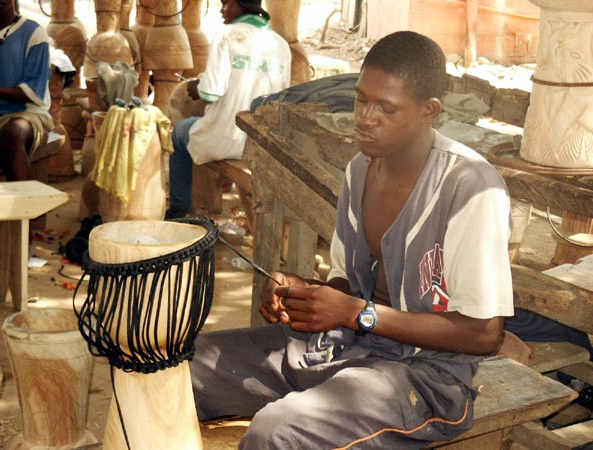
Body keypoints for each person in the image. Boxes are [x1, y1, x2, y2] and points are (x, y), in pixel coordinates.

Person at [189, 31, 516, 449]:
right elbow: (347, 284)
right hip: (347, 349)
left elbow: (485, 334)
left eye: (386, 108)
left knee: (278, 430)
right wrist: (303, 291)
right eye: (362, 100)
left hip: (427, 377)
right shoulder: (360, 170)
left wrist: (357, 314)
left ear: (428, 111)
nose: (365, 117)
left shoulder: (471, 189)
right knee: (188, 363)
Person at [167, 0, 291, 218]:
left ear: (242, 6)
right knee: (196, 130)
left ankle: (179, 212)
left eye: (226, 4)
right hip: (260, 144)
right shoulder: (280, 44)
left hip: (225, 138)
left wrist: (198, 87)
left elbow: (211, 93)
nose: (221, 10)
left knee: (178, 135)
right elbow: (280, 97)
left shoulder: (227, 34)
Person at [0, 0, 53, 181]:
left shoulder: (33, 32)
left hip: (26, 114)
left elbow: (34, 91)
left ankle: (26, 206)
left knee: (12, 136)